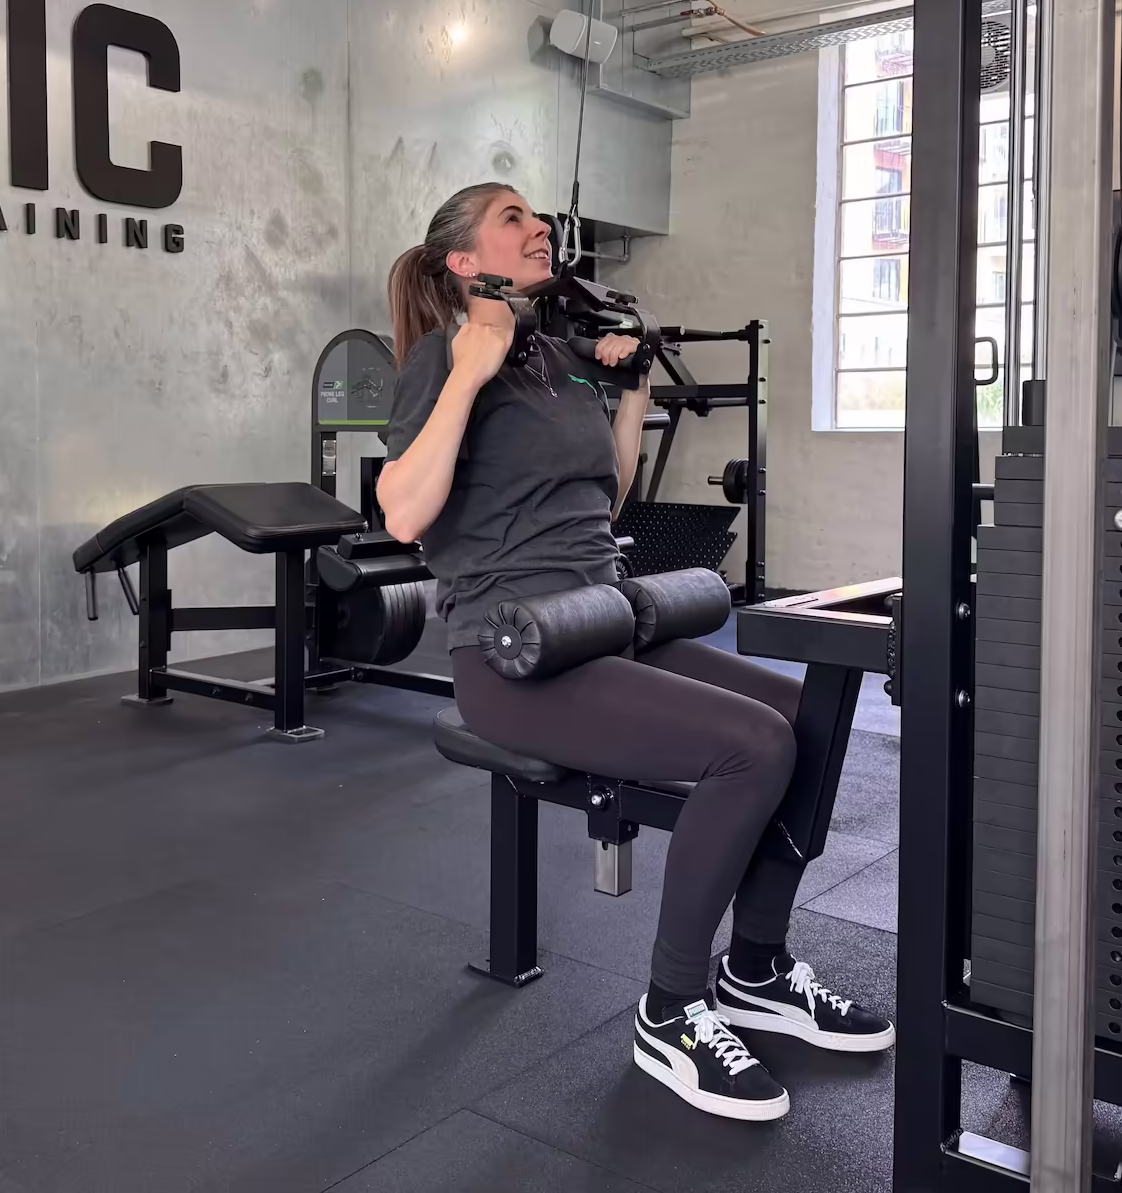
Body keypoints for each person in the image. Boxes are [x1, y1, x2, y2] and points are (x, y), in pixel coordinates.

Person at [377, 182, 894, 1123]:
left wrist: (629, 392)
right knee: (753, 747)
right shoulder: (447, 358)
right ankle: (671, 1007)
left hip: (600, 618)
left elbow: (607, 501)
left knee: (803, 718)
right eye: (512, 219)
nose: (539, 228)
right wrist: (469, 368)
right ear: (463, 262)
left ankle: (757, 967)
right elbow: (405, 511)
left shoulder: (557, 360)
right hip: (512, 654)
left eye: (538, 217)